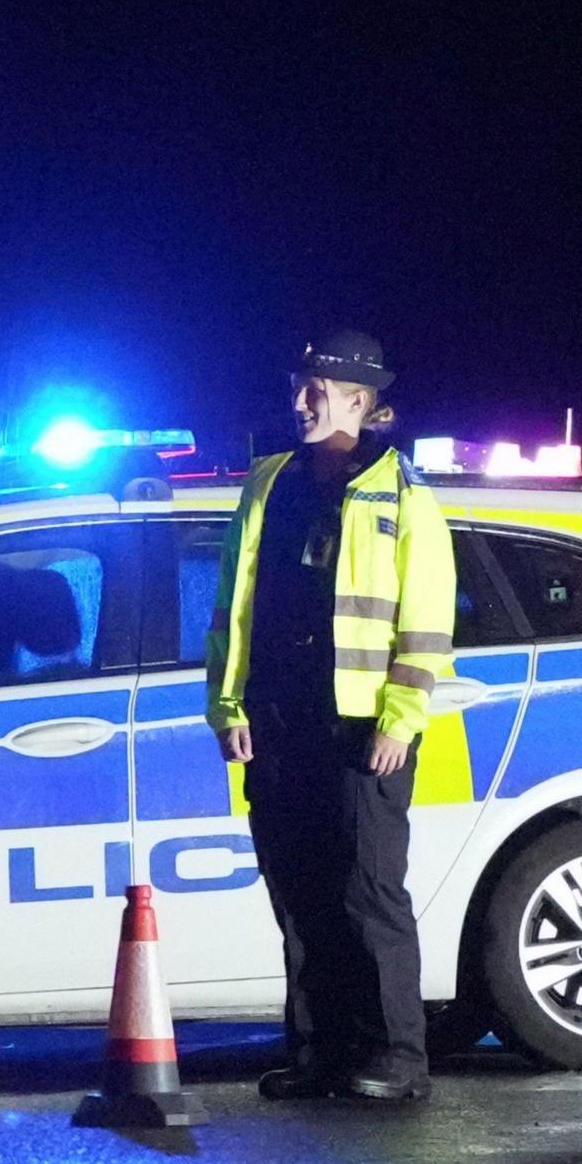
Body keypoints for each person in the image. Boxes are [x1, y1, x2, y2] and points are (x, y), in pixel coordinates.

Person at [202, 330, 457, 1103]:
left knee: (369, 893)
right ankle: (321, 1051)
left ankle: (395, 1057)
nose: (300, 401)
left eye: (316, 388)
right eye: (298, 385)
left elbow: (427, 618)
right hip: (280, 720)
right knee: (299, 891)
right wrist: (227, 703)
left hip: (360, 728)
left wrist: (400, 718)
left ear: (359, 399)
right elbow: (232, 605)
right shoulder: (268, 481)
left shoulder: (404, 492)